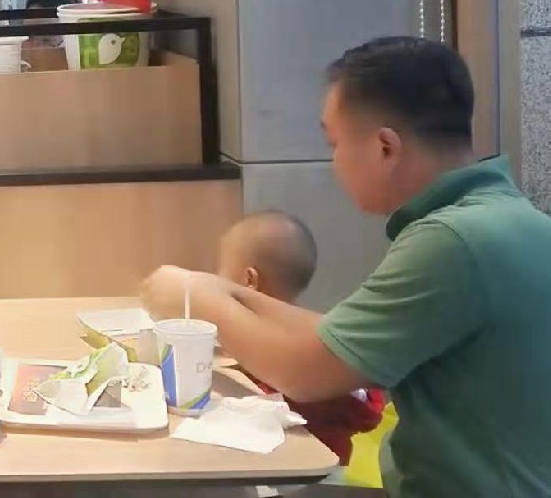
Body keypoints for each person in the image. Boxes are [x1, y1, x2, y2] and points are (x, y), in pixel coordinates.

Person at [140, 37, 551, 496]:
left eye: (334, 143)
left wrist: (200, 301)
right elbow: (336, 337)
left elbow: (305, 373)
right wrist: (231, 293)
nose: (333, 161)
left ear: (385, 147)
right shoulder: (501, 220)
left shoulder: (452, 242)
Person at [215, 210, 386, 465]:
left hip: (300, 475)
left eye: (220, 271)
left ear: (248, 280)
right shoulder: (311, 340)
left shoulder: (286, 357)